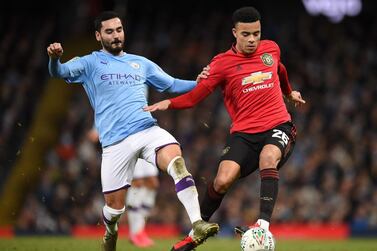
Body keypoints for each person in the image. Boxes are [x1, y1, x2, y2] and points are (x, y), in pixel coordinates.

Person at [47, 11, 219, 251]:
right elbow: (59, 72)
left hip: (146, 130)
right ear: (98, 36)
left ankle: (197, 222)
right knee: (115, 210)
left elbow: (171, 84)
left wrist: (200, 83)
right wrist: (55, 59)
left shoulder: (141, 63)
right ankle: (111, 231)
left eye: (119, 30)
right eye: (109, 31)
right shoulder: (89, 63)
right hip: (115, 143)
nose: (116, 35)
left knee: (176, 162)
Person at [144, 6, 306, 251]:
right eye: (246, 34)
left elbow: (279, 69)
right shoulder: (221, 64)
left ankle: (262, 226)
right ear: (234, 33)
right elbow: (196, 96)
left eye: (256, 33)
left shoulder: (271, 48)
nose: (252, 39)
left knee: (268, 157)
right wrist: (169, 102)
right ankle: (195, 233)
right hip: (244, 133)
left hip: (278, 124)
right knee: (221, 181)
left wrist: (288, 91)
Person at [88, 127, 158, 248]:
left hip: (146, 140)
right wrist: (96, 131)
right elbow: (95, 131)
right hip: (130, 144)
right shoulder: (110, 109)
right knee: (137, 183)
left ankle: (140, 230)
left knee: (153, 183)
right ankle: (135, 233)